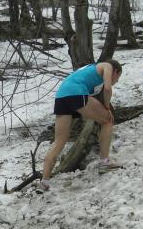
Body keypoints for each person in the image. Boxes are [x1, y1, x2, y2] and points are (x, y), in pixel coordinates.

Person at [40, 60, 123, 189]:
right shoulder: (108, 66)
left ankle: (44, 181)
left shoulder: (87, 69)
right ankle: (104, 162)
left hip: (61, 98)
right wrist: (107, 108)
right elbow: (107, 88)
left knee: (59, 141)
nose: (116, 81)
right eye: (117, 78)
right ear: (116, 71)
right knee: (108, 120)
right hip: (77, 93)